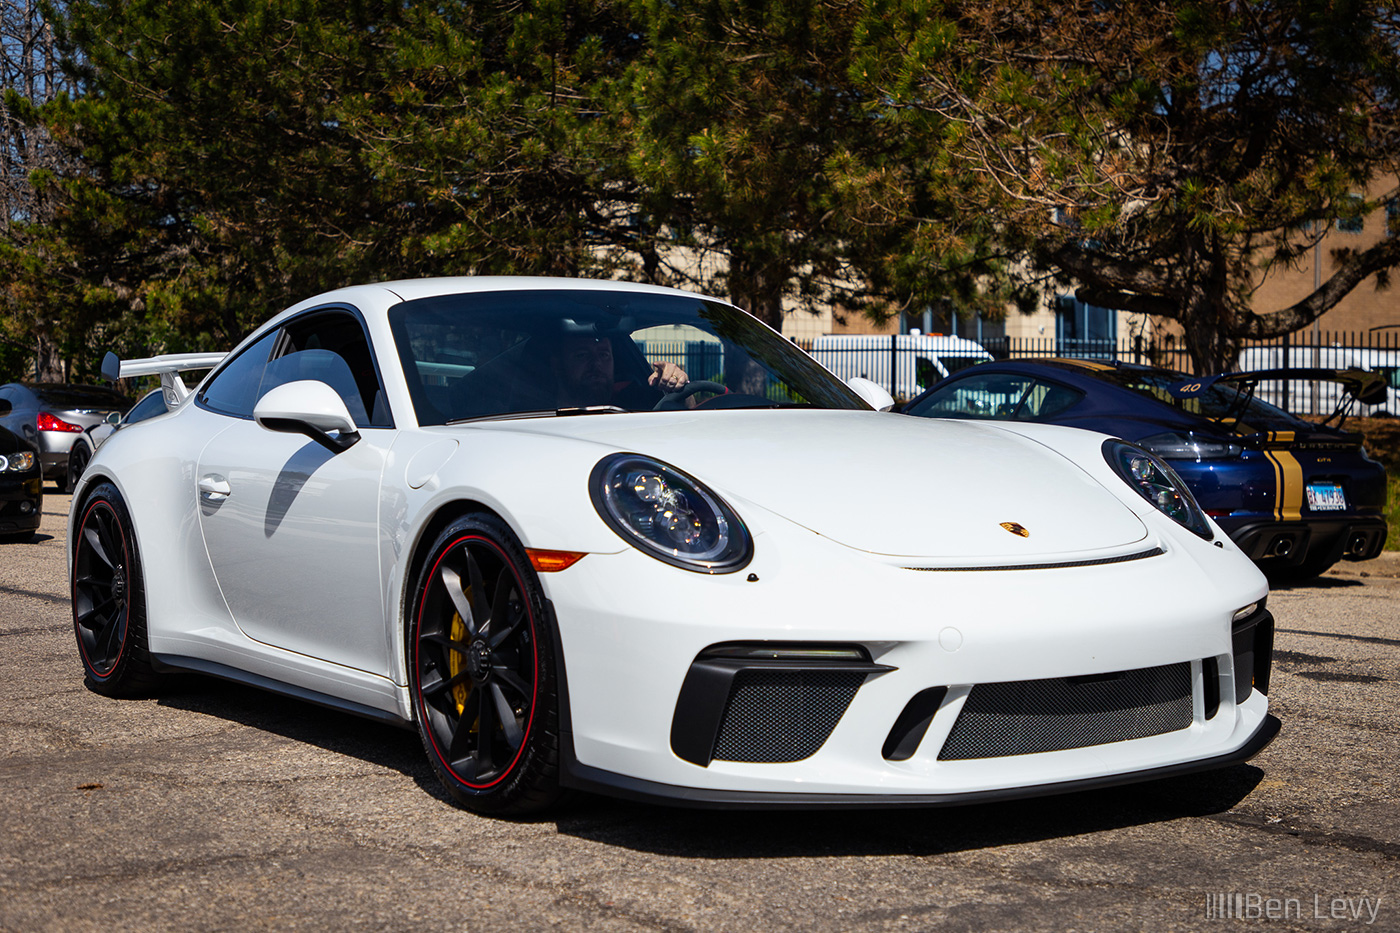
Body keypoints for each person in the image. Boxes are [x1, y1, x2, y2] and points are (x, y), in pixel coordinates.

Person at [551, 335, 690, 410]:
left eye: (604, 355)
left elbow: (687, 414)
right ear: (557, 365)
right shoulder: (534, 409)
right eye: (582, 355)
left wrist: (678, 386)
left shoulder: (635, 401)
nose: (597, 364)